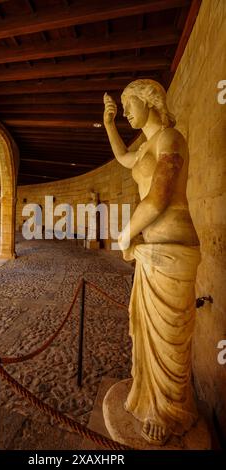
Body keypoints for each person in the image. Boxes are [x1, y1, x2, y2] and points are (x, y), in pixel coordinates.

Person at [103, 79, 200, 445]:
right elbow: (124, 159)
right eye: (124, 107)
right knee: (148, 335)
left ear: (151, 101)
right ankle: (149, 397)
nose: (127, 111)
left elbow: (158, 200)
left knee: (170, 336)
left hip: (173, 249)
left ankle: (168, 410)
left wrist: (126, 234)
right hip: (152, 249)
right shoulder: (146, 146)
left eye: (130, 104)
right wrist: (110, 124)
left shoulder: (171, 140)